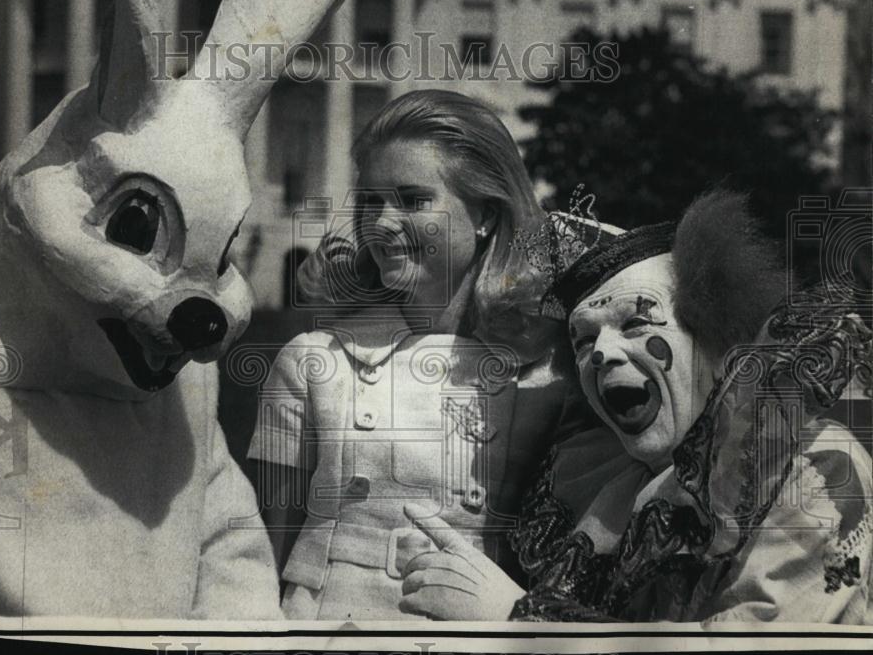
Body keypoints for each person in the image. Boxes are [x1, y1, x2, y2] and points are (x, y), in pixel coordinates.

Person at [398, 190, 873, 623]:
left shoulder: (809, 468)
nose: (600, 353)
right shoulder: (608, 491)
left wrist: (518, 621)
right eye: (583, 340)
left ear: (709, 331)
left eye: (635, 322)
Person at [246, 90, 600, 619]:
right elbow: (261, 554)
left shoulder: (550, 374)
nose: (382, 222)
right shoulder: (310, 362)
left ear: (484, 213)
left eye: (412, 200)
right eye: (370, 201)